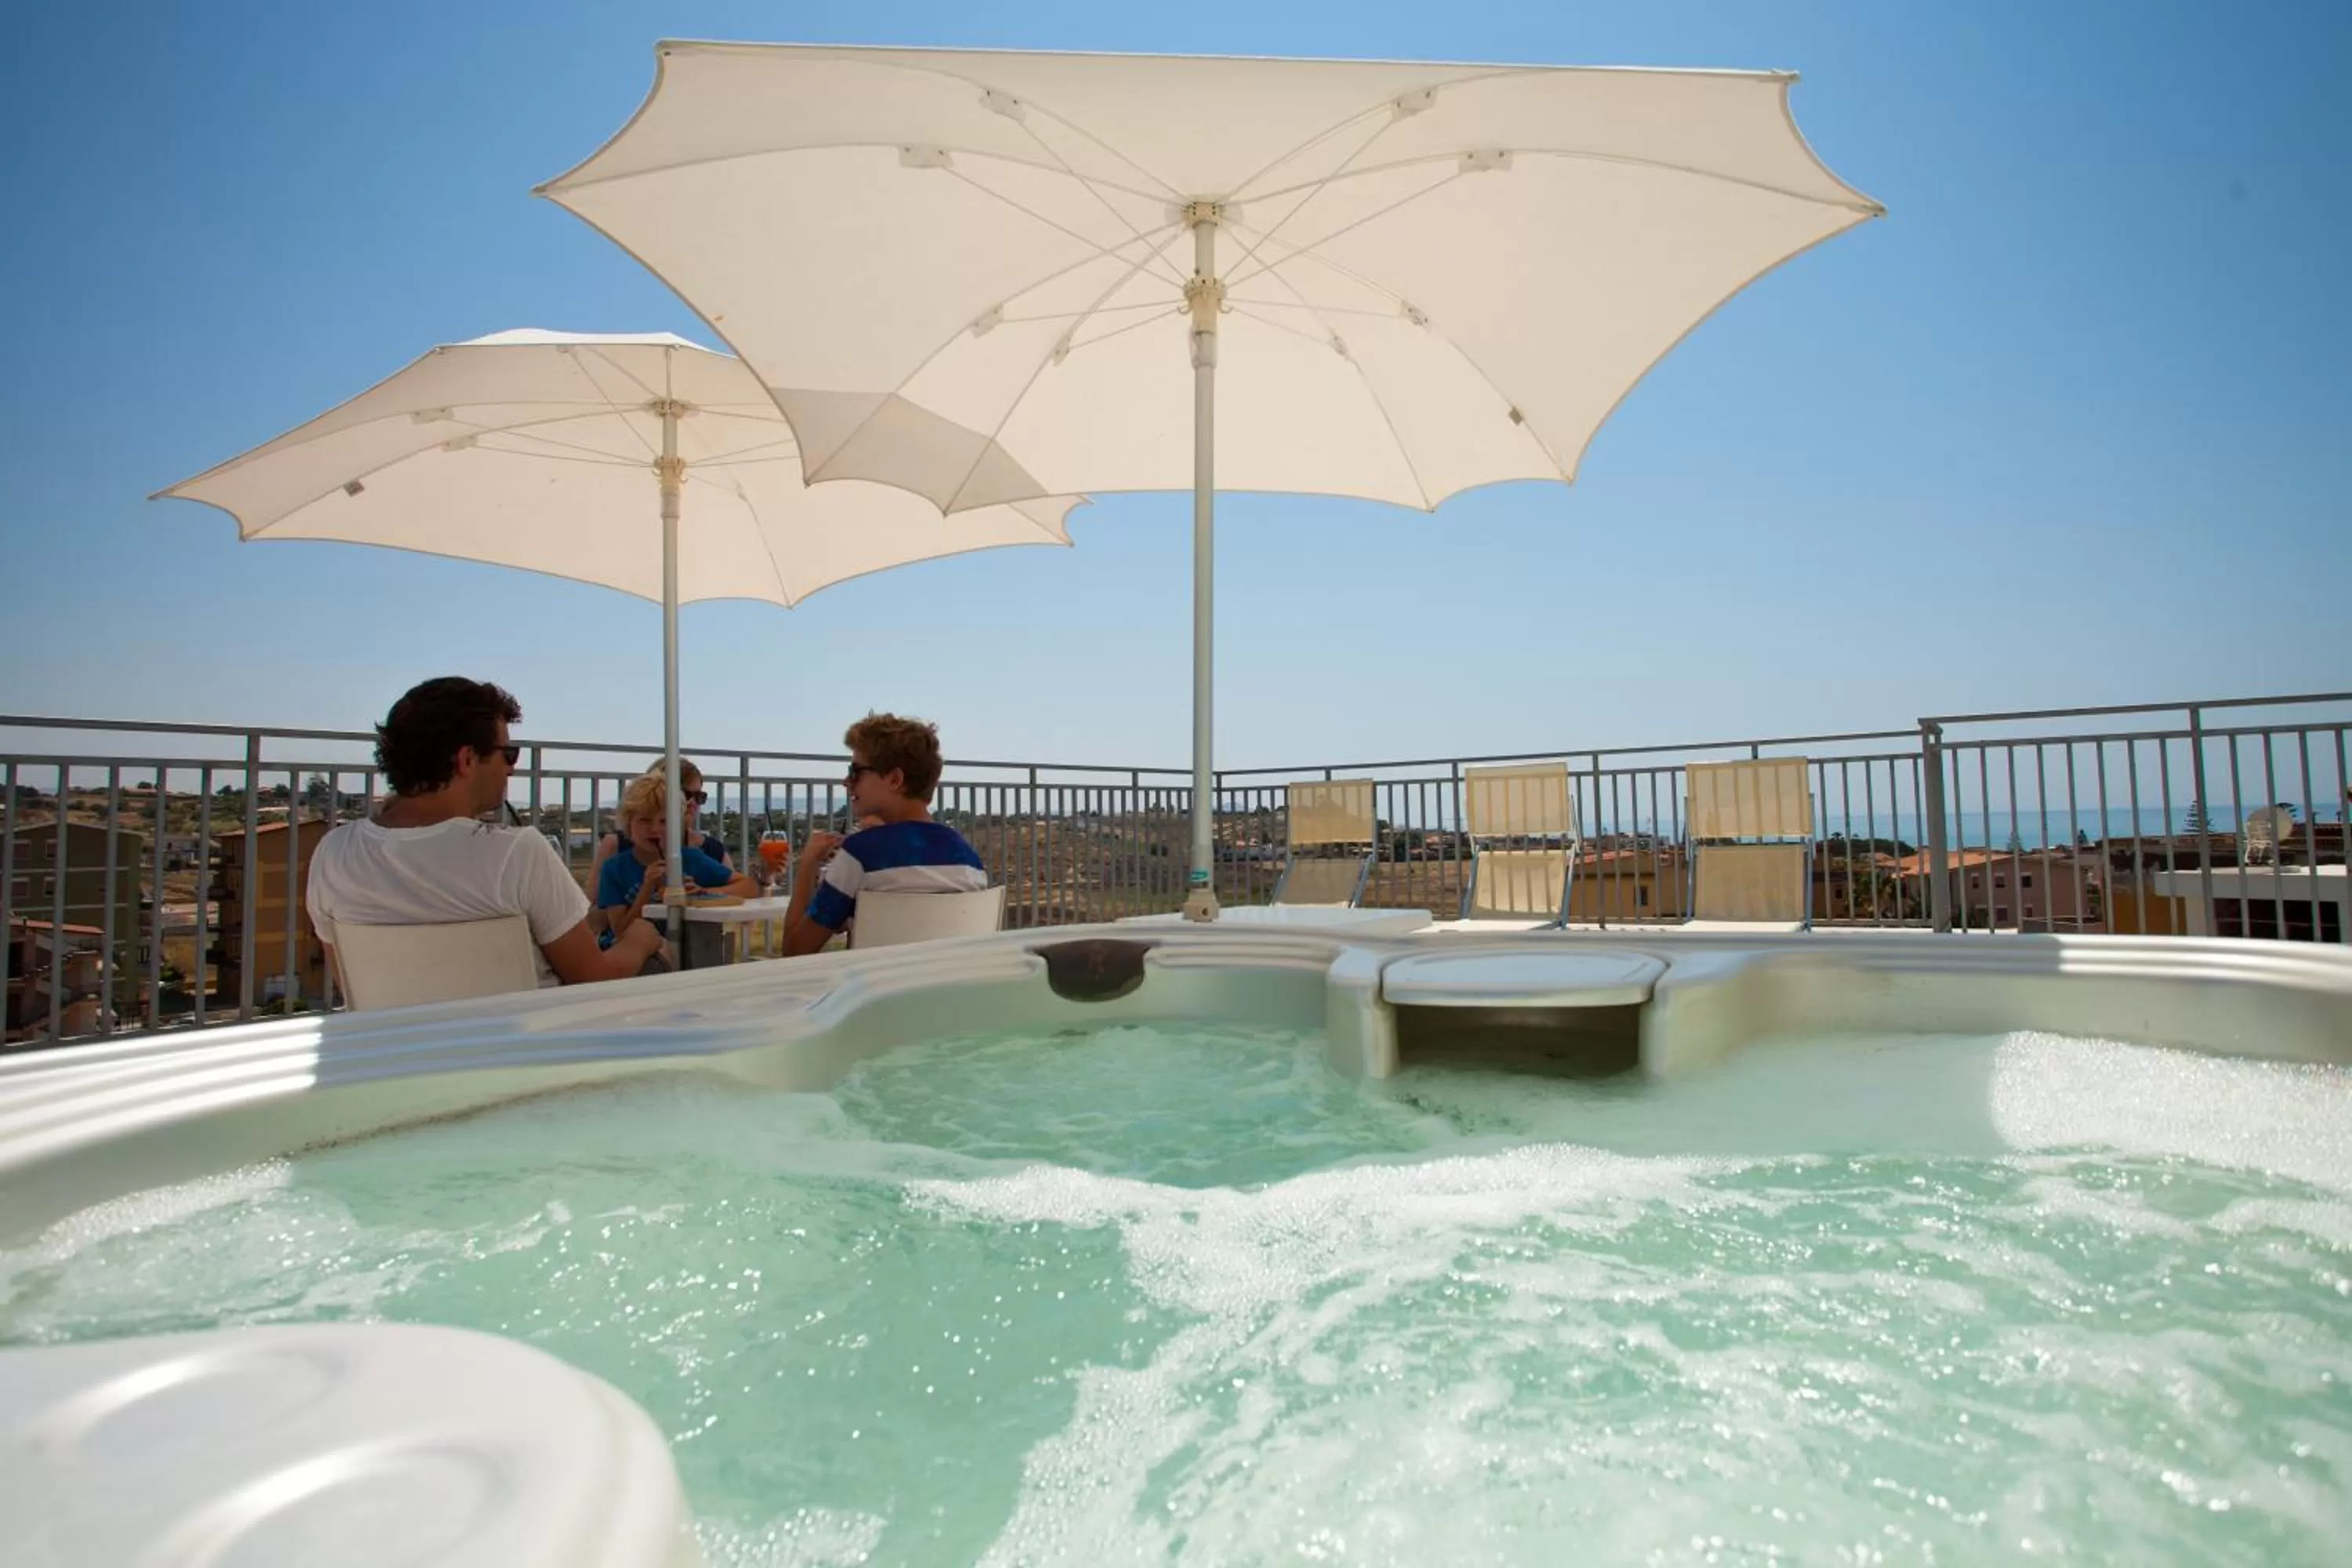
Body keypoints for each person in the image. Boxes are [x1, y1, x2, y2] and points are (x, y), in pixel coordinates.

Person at [309, 677, 666, 989]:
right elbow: (593, 980)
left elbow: (347, 981)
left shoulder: (334, 853)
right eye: (508, 754)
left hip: (397, 1046)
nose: (511, 769)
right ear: (467, 760)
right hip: (524, 1044)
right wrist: (639, 940)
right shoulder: (516, 853)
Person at [779, 713, 986, 957]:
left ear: (895, 779)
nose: (846, 782)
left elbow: (795, 951)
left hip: (874, 982)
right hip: (948, 981)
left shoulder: (860, 853)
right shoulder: (969, 860)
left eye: (856, 771)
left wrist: (808, 863)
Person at [597, 772, 759, 942]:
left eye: (664, 822)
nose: (654, 829)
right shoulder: (614, 869)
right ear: (628, 823)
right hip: (631, 949)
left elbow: (749, 887)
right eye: (645, 820)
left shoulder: (690, 859)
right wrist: (646, 889)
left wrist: (701, 893)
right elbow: (620, 931)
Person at [590, 757, 731, 887]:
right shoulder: (615, 847)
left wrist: (699, 894)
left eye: (699, 796)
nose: (692, 803)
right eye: (684, 794)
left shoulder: (711, 851)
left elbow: (740, 889)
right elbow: (594, 905)